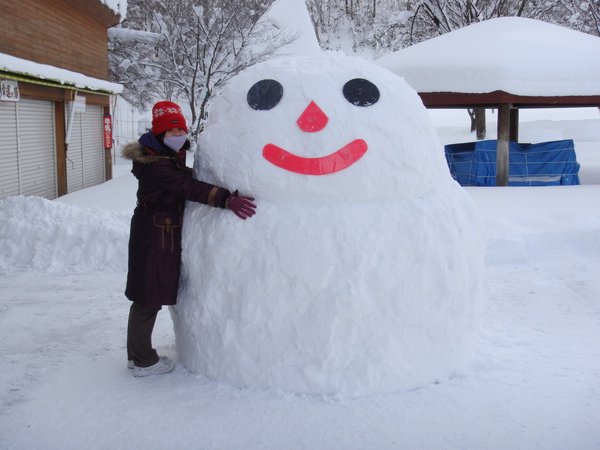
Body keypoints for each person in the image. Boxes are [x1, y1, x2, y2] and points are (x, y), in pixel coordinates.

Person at [122, 100, 256, 377]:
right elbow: (187, 186)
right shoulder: (157, 165)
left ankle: (137, 357)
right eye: (171, 133)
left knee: (147, 295)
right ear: (159, 134)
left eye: (180, 130)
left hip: (157, 230)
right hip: (154, 234)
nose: (178, 136)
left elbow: (183, 177)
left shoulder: (162, 156)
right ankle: (144, 362)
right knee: (148, 297)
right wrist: (226, 199)